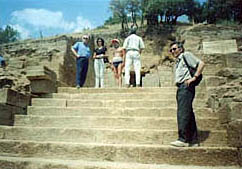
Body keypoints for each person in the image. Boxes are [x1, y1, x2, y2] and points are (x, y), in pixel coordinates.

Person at [169, 41, 205, 147]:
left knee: (183, 113)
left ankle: (183, 139)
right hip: (181, 87)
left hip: (186, 86)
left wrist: (194, 78)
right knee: (188, 112)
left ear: (180, 49)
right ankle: (193, 141)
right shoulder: (178, 61)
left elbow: (201, 64)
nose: (172, 51)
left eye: (174, 49)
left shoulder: (186, 55)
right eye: (171, 50)